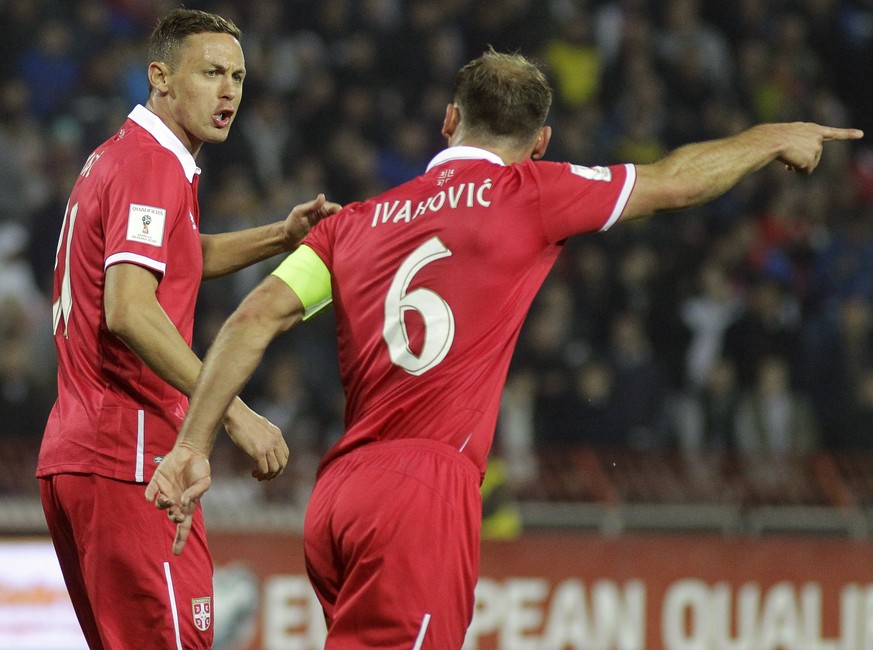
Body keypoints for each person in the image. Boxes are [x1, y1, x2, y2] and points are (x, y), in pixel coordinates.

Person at [146, 48, 862, 648]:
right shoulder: (530, 192)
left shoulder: (352, 223)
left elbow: (248, 321)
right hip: (423, 492)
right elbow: (673, 182)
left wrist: (194, 445)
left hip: (339, 493)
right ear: (541, 143)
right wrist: (768, 136)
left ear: (449, 121)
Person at [36, 9, 339, 650]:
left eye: (237, 76)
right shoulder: (153, 165)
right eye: (210, 72)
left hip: (82, 455)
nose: (228, 90)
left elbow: (179, 256)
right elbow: (129, 308)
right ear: (161, 78)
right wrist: (232, 411)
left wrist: (281, 238)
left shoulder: (122, 158)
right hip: (134, 461)